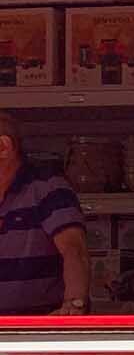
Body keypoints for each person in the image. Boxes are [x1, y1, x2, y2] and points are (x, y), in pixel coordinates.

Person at [0, 112, 88, 315]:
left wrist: (74, 305)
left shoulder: (47, 188)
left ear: (3, 147)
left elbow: (74, 249)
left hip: (38, 331)